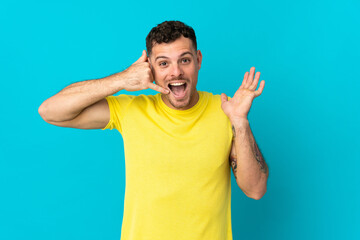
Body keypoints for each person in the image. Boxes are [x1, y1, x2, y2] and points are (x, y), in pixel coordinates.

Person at [38, 20, 269, 240]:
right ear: (150, 67)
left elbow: (256, 189)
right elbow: (50, 111)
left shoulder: (225, 112)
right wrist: (121, 80)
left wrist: (240, 122)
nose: (175, 72)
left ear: (198, 60)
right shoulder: (131, 111)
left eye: (185, 60)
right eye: (164, 63)